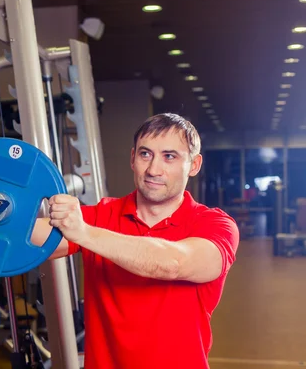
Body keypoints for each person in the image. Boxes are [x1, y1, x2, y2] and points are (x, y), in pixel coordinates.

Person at [35, 113, 240, 369]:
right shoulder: (102, 216)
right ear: (133, 158)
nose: (154, 169)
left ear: (194, 165)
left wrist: (85, 233)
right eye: (145, 154)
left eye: (169, 156)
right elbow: (28, 238)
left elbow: (174, 264)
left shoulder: (215, 225)